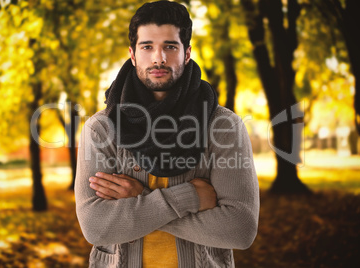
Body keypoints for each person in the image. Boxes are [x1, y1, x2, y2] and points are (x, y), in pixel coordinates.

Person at [75, 1, 259, 267]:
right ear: (132, 54)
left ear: (186, 53)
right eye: (147, 46)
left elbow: (239, 230)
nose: (158, 58)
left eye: (170, 47)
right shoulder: (101, 129)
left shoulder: (223, 126)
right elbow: (97, 228)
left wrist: (139, 202)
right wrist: (190, 198)